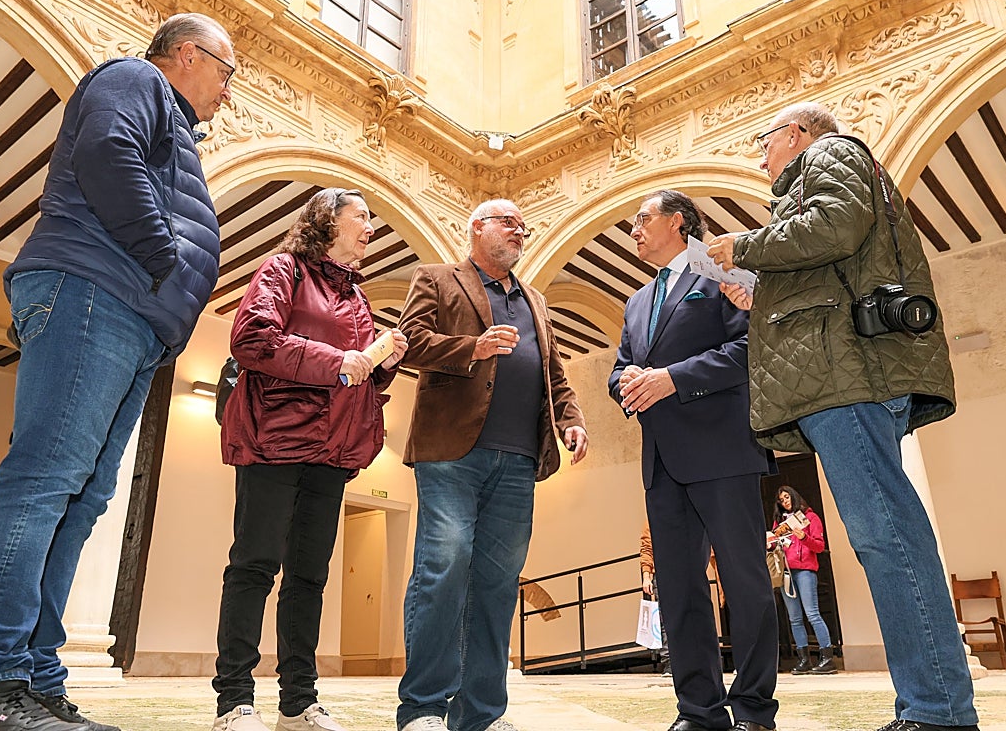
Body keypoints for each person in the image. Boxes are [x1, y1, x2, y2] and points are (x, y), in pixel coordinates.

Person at [0, 14, 233, 731]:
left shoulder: (175, 124)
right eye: (227, 73)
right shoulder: (135, 79)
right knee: (44, 483)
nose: (229, 92)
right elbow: (107, 151)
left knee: (81, 500)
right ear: (187, 56)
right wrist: (163, 257)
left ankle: (33, 684)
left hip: (133, 320)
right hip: (93, 288)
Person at [707, 102, 976, 731]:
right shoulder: (810, 181)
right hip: (837, 377)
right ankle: (932, 705)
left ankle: (938, 711)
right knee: (886, 535)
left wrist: (742, 246)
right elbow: (827, 260)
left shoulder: (832, 153)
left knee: (888, 536)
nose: (762, 154)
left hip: (846, 379)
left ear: (798, 134)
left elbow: (835, 225)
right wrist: (756, 290)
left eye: (766, 140)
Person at [212, 188, 408, 731]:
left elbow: (357, 373)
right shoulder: (283, 269)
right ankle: (234, 700)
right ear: (327, 221)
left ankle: (299, 700)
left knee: (309, 577)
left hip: (332, 450)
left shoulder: (359, 299)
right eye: (362, 217)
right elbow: (252, 339)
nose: (371, 227)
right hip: (274, 438)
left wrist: (384, 359)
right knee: (253, 566)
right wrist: (344, 359)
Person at [395, 199, 588, 731]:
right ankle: (424, 708)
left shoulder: (537, 302)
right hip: (451, 453)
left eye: (524, 225)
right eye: (508, 222)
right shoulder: (436, 279)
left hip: (520, 459)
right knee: (445, 567)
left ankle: (480, 714)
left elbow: (555, 374)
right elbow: (409, 344)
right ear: (476, 228)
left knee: (499, 584)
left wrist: (571, 419)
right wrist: (473, 348)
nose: (520, 230)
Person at [609, 190, 778, 731]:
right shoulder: (636, 301)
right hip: (661, 461)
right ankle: (699, 711)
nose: (633, 230)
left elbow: (749, 347)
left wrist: (673, 379)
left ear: (678, 223)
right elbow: (619, 369)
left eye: (642, 220)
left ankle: (753, 708)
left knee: (744, 582)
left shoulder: (723, 275)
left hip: (724, 450)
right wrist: (626, 383)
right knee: (680, 590)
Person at [768, 485, 836, 675]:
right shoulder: (779, 522)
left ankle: (827, 657)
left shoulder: (811, 518)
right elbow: (775, 544)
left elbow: (819, 546)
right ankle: (804, 659)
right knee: (795, 618)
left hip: (805, 570)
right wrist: (770, 542)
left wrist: (804, 537)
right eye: (781, 500)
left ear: (794, 497)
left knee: (812, 613)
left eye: (787, 497)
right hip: (786, 572)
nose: (785, 501)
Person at [639, 521, 671, 675]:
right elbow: (647, 545)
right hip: (662, 572)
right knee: (664, 620)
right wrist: (647, 576)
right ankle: (670, 663)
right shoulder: (655, 512)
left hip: (685, 571)